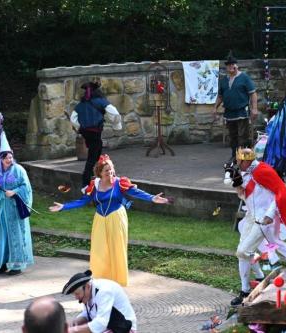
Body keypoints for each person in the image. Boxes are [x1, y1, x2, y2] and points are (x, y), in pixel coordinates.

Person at [49, 154, 168, 286]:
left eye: (111, 169)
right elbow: (84, 201)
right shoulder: (95, 185)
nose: (110, 172)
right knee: (99, 249)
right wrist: (64, 207)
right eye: (106, 170)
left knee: (116, 248)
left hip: (116, 217)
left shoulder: (120, 183)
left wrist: (152, 198)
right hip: (100, 219)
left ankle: (118, 280)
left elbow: (136, 193)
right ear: (99, 172)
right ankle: (100, 279)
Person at [230, 148, 286, 306]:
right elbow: (245, 195)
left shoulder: (263, 170)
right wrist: (236, 184)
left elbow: (280, 192)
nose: (237, 163)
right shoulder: (246, 172)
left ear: (246, 161)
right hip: (250, 216)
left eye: (239, 161)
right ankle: (246, 289)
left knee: (244, 251)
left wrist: (269, 214)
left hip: (263, 219)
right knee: (245, 252)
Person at [0, 131, 34, 275]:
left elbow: (26, 187)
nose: (9, 160)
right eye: (6, 158)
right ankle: (2, 263)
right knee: (2, 236)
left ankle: (17, 265)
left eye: (11, 157)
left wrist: (14, 192)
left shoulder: (19, 170)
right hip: (0, 211)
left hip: (14, 210)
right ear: (0, 159)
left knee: (16, 235)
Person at [71, 81, 122, 188]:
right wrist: (117, 126)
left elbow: (73, 119)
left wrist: (80, 126)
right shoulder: (101, 102)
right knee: (93, 155)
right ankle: (86, 182)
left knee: (96, 152)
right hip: (95, 132)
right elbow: (115, 113)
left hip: (86, 132)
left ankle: (96, 175)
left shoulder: (80, 105)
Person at [213, 53, 258, 163]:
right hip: (229, 112)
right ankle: (234, 156)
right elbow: (220, 96)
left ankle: (242, 157)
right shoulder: (224, 80)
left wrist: (254, 108)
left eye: (232, 64)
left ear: (236, 65)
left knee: (242, 136)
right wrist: (215, 108)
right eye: (228, 65)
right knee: (232, 136)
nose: (230, 67)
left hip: (242, 111)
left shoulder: (244, 78)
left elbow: (253, 93)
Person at [62, 270, 137, 333]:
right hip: (110, 325)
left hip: (125, 328)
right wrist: (75, 322)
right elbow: (89, 313)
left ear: (87, 286)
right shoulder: (89, 292)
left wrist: (72, 330)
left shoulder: (104, 291)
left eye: (77, 294)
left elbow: (101, 323)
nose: (76, 297)